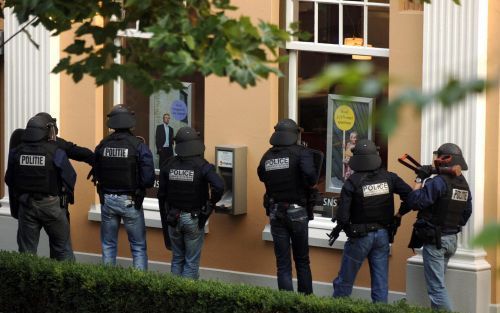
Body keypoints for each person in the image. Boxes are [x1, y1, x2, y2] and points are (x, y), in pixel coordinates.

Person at [331, 139, 412, 303]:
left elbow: (343, 216)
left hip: (360, 237)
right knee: (380, 284)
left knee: (344, 282)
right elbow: (411, 197)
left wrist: (347, 229)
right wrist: (399, 215)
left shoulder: (352, 182)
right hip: (383, 235)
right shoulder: (390, 177)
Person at [402, 143, 472, 312]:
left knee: (436, 289)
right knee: (438, 286)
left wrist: (419, 179)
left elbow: (414, 202)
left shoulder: (438, 182)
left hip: (436, 242)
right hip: (450, 240)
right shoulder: (463, 184)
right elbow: (466, 214)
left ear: (442, 160)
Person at [257, 119, 318, 294]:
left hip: (276, 211)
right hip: (297, 210)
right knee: (302, 261)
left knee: (282, 263)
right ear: (294, 134)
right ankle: (305, 304)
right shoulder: (301, 152)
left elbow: (261, 175)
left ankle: (286, 305)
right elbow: (311, 176)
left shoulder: (267, 156)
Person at [4, 116, 77, 261]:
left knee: (27, 253)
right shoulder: (55, 151)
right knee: (62, 250)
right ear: (46, 131)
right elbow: (70, 177)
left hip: (26, 205)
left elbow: (9, 179)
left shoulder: (17, 152)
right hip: (52, 206)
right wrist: (63, 194)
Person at [94, 105, 155, 270]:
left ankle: (108, 285)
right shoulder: (138, 146)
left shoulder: (103, 145)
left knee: (108, 245)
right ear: (130, 122)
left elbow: (96, 172)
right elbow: (149, 179)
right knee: (138, 247)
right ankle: (138, 287)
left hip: (107, 200)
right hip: (130, 201)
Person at [157, 126, 224, 279]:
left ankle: (174, 297)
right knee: (191, 263)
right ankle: (186, 299)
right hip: (193, 218)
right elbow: (219, 186)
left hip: (173, 217)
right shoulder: (202, 165)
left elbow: (161, 195)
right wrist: (210, 205)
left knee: (177, 259)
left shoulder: (168, 164)